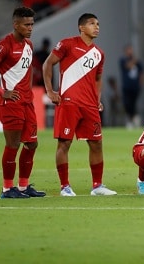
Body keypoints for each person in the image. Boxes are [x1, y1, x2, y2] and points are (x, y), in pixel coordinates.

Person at [42, 13, 117, 196]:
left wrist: (97, 99)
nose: (96, 27)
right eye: (92, 23)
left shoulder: (99, 53)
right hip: (69, 103)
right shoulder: (67, 44)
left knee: (96, 144)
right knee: (64, 143)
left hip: (90, 105)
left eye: (98, 24)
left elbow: (98, 78)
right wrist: (50, 91)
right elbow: (47, 64)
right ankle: (65, 187)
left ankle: (97, 186)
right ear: (81, 28)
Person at [0, 6, 46, 199]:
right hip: (12, 103)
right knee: (13, 145)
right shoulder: (5, 44)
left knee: (32, 144)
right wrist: (2, 92)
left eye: (32, 24)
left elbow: (26, 71)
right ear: (15, 24)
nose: (30, 28)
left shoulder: (29, 45)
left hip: (27, 103)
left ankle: (24, 187)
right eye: (26, 25)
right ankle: (7, 189)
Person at [119, 44, 144, 129]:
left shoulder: (138, 63)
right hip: (127, 87)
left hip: (135, 87)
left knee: (134, 104)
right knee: (127, 103)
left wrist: (141, 84)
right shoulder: (123, 60)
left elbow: (142, 72)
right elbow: (127, 66)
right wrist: (134, 61)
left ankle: (135, 120)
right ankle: (130, 119)